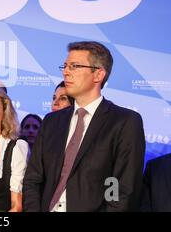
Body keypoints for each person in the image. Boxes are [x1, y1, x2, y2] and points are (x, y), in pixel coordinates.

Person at [23, 41, 145, 212]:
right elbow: (33, 179)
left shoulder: (124, 122)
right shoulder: (51, 122)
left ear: (98, 74)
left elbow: (120, 187)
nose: (66, 72)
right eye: (65, 66)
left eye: (74, 66)